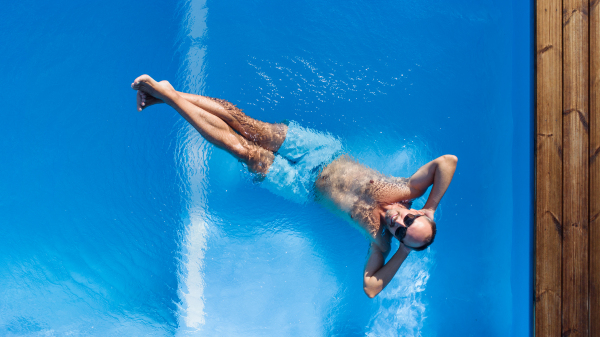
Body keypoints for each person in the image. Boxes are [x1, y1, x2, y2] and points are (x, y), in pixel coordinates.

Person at [131, 75, 457, 298]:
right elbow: (447, 162)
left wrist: (401, 250)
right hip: (320, 150)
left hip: (300, 185)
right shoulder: (407, 190)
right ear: (417, 212)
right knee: (245, 125)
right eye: (409, 221)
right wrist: (431, 207)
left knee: (242, 149)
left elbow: (371, 287)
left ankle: (169, 96)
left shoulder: (381, 242)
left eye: (402, 232)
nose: (398, 224)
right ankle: (168, 95)